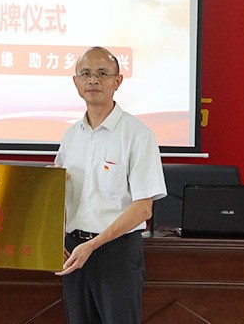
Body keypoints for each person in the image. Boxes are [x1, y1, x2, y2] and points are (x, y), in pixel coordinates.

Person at [54, 46, 167, 324]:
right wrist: (54, 240)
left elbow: (143, 208)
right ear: (76, 82)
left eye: (102, 73)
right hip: (73, 251)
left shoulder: (137, 135)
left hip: (116, 253)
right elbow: (60, 195)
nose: (93, 80)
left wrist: (93, 245)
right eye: (85, 74)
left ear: (117, 81)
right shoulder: (71, 136)